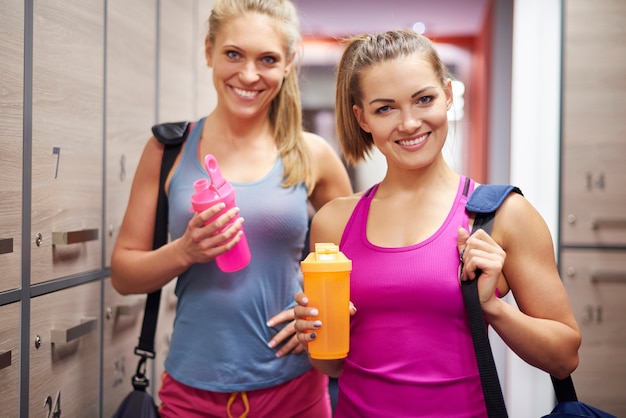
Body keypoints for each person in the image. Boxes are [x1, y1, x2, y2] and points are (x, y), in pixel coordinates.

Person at [293, 29, 581, 417]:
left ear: (447, 94)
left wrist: (492, 309)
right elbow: (330, 366)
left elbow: (564, 358)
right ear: (362, 118)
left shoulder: (503, 216)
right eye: (385, 108)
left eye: (423, 99)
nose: (409, 123)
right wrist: (314, 332)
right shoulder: (332, 224)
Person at [110, 0, 353, 416]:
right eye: (233, 54)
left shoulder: (313, 155)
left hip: (295, 390)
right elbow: (123, 273)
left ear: (289, 62)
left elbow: (357, 262)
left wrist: (325, 315)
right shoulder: (168, 150)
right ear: (209, 51)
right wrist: (184, 251)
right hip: (191, 392)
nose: (248, 74)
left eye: (268, 59)